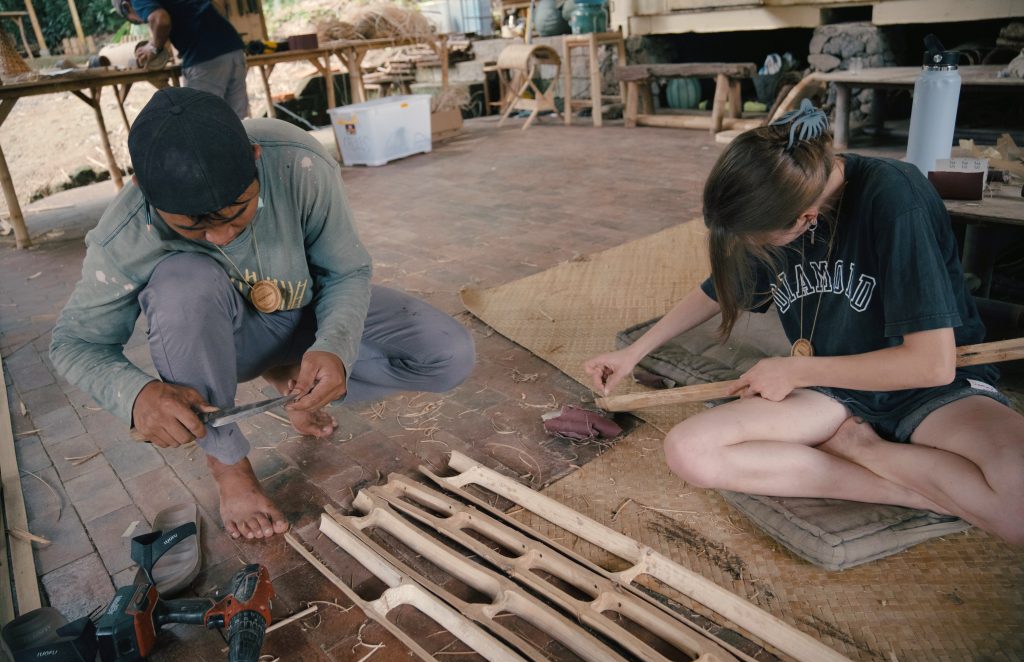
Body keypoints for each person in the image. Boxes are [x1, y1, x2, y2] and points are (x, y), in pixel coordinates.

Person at [583, 100, 1024, 545]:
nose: (754, 248)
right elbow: (721, 286)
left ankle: (863, 449)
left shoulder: (894, 196)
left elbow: (932, 365)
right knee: (689, 452)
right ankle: (917, 491)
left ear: (805, 219)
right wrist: (633, 352)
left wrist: (796, 370)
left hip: (931, 391)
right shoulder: (787, 197)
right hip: (833, 393)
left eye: (760, 239)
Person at [50, 87, 475, 541]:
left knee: (449, 356)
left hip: (304, 309)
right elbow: (74, 343)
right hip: (228, 347)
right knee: (181, 284)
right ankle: (229, 466)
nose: (219, 235)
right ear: (142, 190)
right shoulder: (124, 233)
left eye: (238, 213)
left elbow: (347, 270)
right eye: (192, 226)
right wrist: (136, 395)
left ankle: (293, 376)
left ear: (255, 158)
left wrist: (335, 347)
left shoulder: (297, 161)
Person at [113, 0, 249, 118]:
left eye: (135, 20)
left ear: (126, 6)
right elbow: (214, 8)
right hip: (233, 48)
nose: (141, 21)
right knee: (237, 120)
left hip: (204, 56)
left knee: (202, 120)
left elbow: (161, 19)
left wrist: (153, 47)